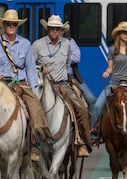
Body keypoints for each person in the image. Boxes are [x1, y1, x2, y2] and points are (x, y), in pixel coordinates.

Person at [0, 9, 52, 162]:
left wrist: (33, 90)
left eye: (14, 24)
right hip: (0, 84)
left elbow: (30, 68)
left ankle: (35, 143)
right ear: (3, 25)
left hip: (20, 84)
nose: (11, 26)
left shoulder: (25, 44)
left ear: (17, 26)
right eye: (8, 23)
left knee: (35, 108)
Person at [32, 15, 92, 158]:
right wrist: (41, 67)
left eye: (57, 29)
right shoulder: (37, 45)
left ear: (61, 30)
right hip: (42, 85)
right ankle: (33, 143)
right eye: (52, 28)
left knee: (81, 108)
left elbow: (67, 63)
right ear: (47, 29)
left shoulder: (67, 44)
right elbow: (30, 65)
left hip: (62, 84)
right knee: (31, 108)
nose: (54, 31)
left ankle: (81, 141)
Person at [63, 26, 97, 111]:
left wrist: (61, 58)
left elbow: (76, 57)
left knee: (91, 99)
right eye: (53, 29)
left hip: (71, 77)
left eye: (59, 29)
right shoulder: (44, 44)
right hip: (51, 77)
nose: (56, 32)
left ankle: (91, 123)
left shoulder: (70, 41)